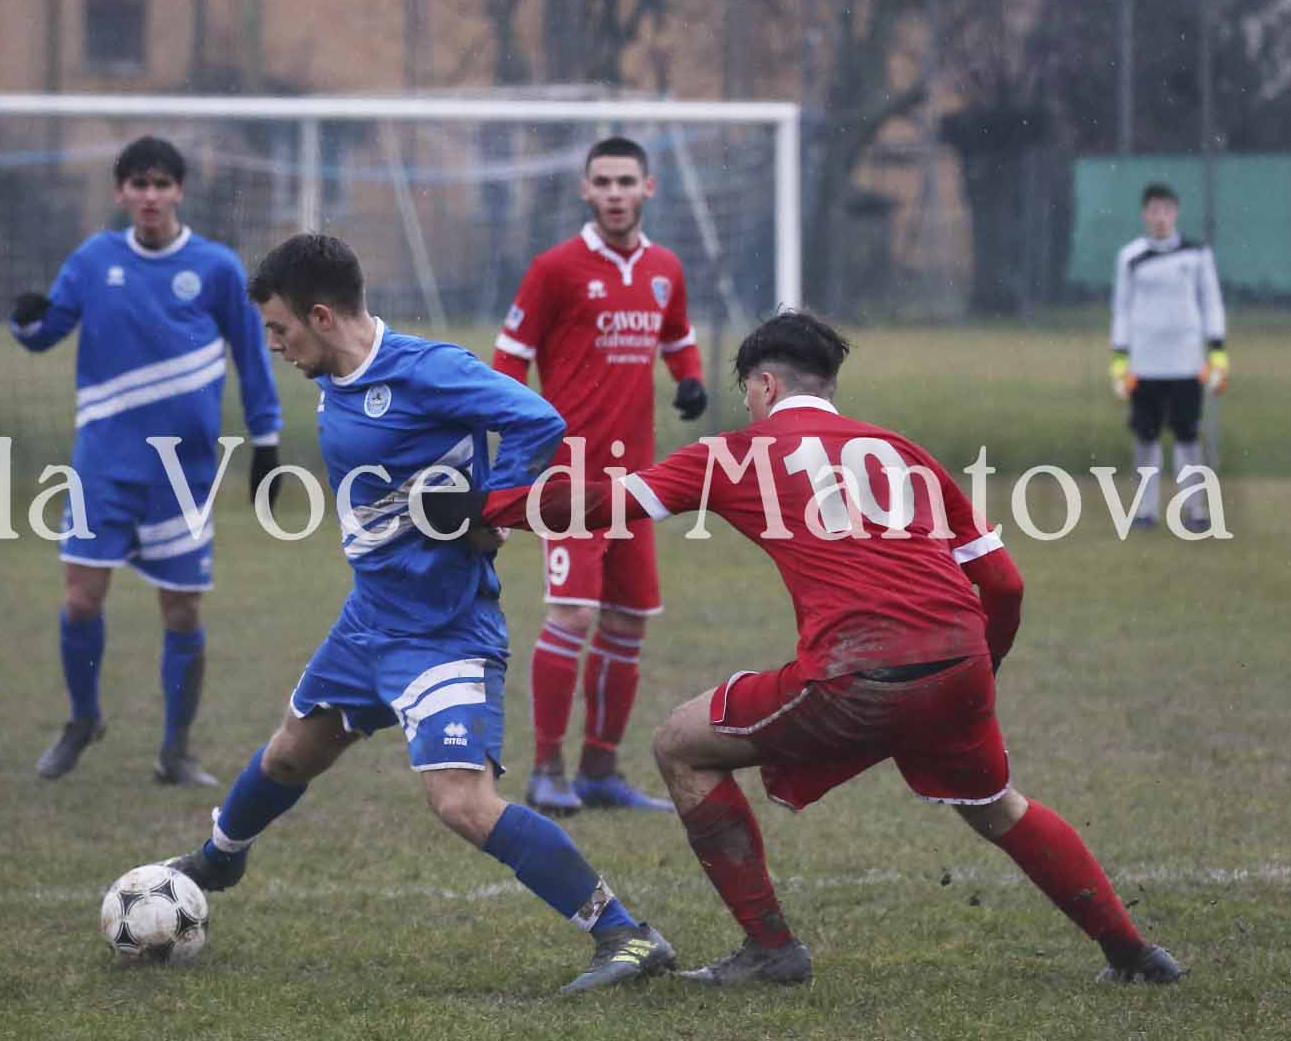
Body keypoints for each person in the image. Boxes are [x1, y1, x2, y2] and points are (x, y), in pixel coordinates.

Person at [462, 311, 1186, 986]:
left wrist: (486, 505)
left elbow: (604, 505)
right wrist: (979, 673)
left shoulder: (737, 453)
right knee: (997, 806)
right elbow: (1005, 583)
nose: (748, 405)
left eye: (748, 393)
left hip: (859, 672)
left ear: (765, 385)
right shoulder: (904, 452)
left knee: (680, 744)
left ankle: (771, 950)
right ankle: (1134, 951)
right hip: (960, 661)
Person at [166, 233, 675, 994]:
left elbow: (538, 421)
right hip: (369, 620)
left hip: (444, 632)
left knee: (462, 803)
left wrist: (489, 507)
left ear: (322, 316)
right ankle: (218, 860)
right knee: (289, 754)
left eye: (280, 329)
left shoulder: (428, 370)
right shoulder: (338, 370)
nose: (274, 345)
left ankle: (625, 934)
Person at [10, 136, 284, 787]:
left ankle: (175, 752)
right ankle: (83, 719)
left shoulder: (216, 267)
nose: (150, 196)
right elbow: (47, 333)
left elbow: (251, 356)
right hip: (102, 467)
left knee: (182, 612)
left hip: (182, 475)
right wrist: (27, 319)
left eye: (162, 184)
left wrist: (267, 442)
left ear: (179, 190)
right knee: (81, 599)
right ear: (121, 193)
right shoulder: (93, 260)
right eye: (139, 184)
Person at [491, 136, 707, 813]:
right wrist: (520, 437)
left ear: (649, 188)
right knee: (574, 613)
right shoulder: (555, 268)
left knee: (628, 621)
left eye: (626, 181)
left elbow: (677, 335)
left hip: (636, 483)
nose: (615, 193)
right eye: (603, 182)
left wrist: (690, 378)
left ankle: (599, 772)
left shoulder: (665, 268)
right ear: (586, 189)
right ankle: (546, 769)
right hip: (569, 477)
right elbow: (509, 358)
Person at [1109, 182, 1229, 532]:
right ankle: (1145, 510)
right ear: (1145, 214)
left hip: (1186, 363)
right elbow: (1122, 309)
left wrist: (1217, 351)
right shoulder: (1131, 257)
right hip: (1145, 364)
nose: (1160, 217)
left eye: (1166, 210)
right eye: (1154, 211)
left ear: (1175, 213)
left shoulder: (1197, 254)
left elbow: (1211, 302)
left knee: (1187, 436)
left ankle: (1195, 510)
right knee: (1145, 437)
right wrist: (1119, 359)